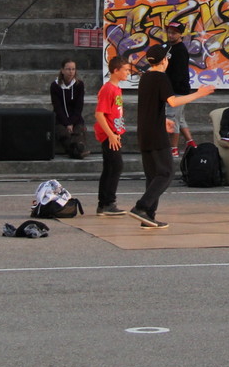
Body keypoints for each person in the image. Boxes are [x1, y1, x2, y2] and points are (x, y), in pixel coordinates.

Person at [129, 44, 217, 229]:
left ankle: (148, 216)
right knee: (166, 173)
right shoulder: (160, 77)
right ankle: (141, 207)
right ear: (164, 60)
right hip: (156, 134)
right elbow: (173, 101)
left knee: (153, 175)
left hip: (145, 132)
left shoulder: (145, 77)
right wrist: (198, 94)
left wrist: (163, 121)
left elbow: (149, 107)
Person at [93, 56, 131, 215]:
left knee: (110, 167)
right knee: (115, 166)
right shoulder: (108, 89)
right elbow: (99, 114)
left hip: (114, 133)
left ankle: (104, 203)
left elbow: (116, 113)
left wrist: (118, 132)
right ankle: (108, 202)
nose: (128, 73)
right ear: (116, 70)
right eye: (126, 70)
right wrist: (110, 134)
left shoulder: (116, 89)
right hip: (108, 134)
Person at [159, 21, 196, 156]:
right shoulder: (167, 47)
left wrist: (168, 90)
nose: (170, 35)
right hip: (171, 89)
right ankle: (190, 142)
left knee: (172, 119)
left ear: (180, 34)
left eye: (174, 33)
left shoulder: (180, 50)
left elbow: (178, 74)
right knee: (179, 118)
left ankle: (173, 148)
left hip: (177, 90)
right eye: (169, 32)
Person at [49, 58, 88, 159]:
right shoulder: (55, 86)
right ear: (62, 70)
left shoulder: (79, 85)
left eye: (73, 69)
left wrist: (71, 122)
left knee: (78, 131)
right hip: (60, 118)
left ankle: (76, 150)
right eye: (68, 69)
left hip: (75, 118)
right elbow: (57, 107)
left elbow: (79, 106)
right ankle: (77, 152)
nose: (71, 72)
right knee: (63, 133)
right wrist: (67, 123)